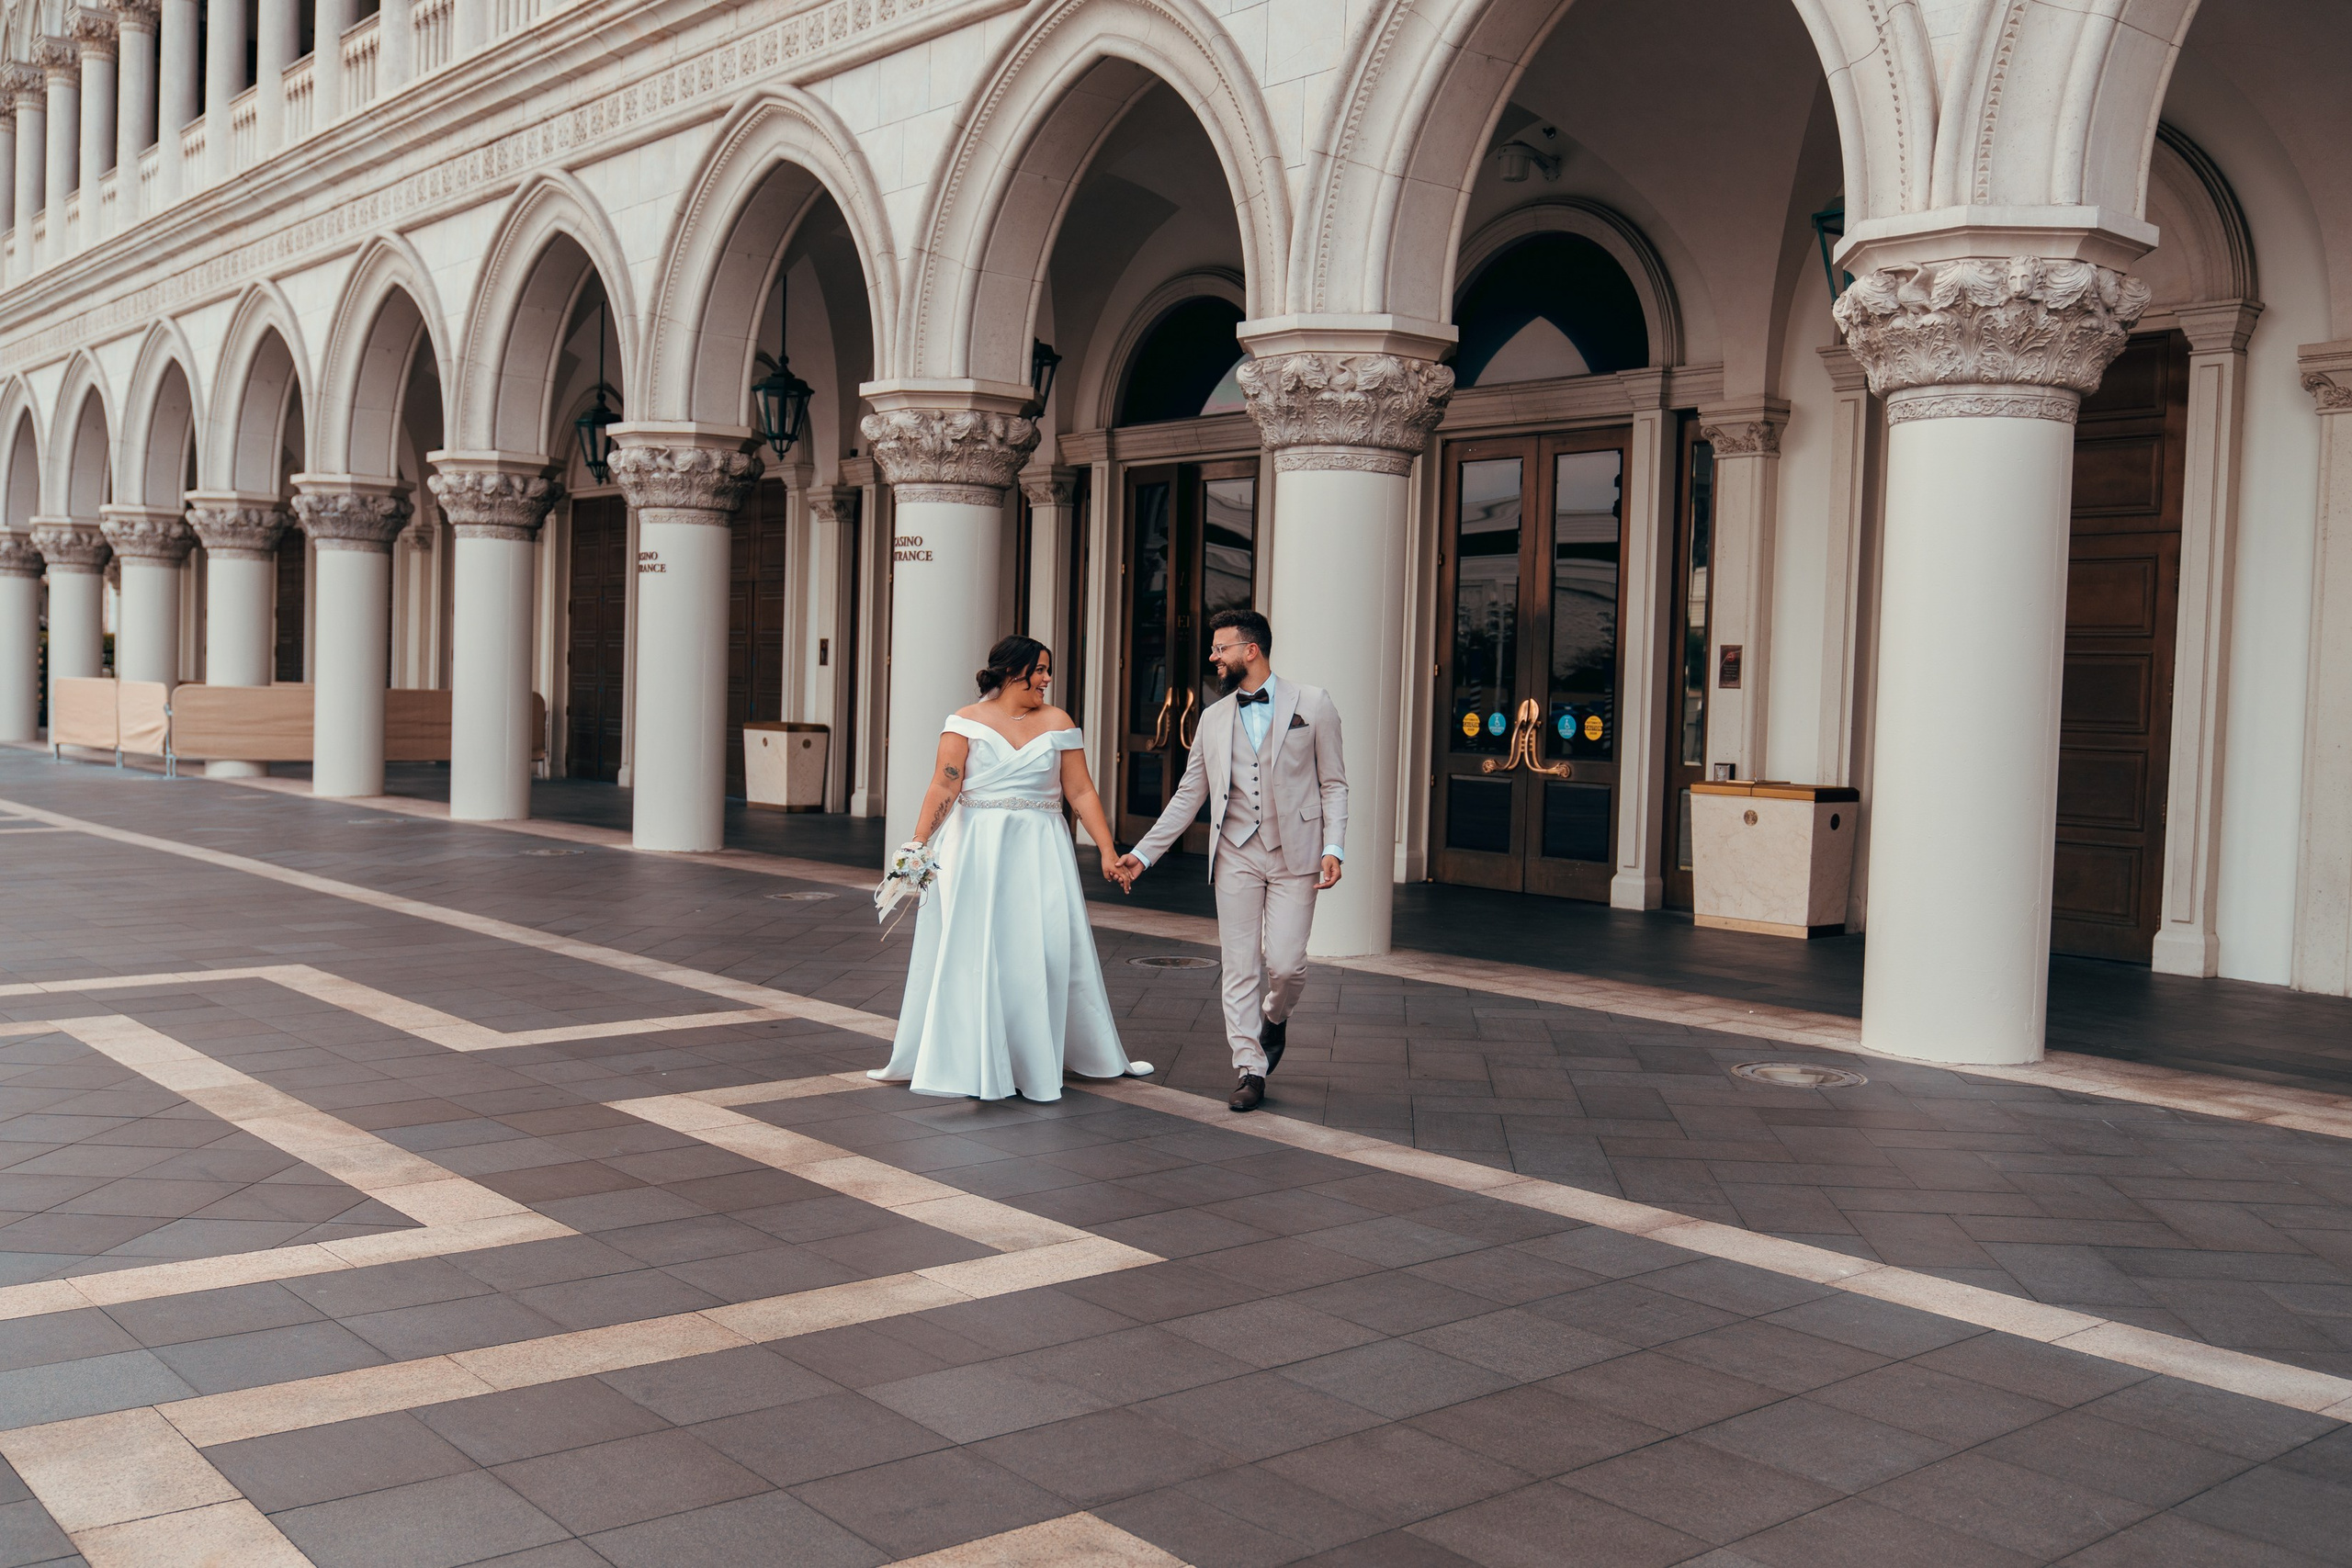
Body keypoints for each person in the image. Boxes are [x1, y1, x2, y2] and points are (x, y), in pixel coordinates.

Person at [871, 636, 1143, 1100]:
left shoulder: (1058, 722)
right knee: (975, 946)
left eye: (1047, 670)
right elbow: (944, 785)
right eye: (1039, 670)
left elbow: (1081, 792)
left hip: (1041, 848)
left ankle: (1033, 1055)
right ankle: (971, 1056)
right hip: (975, 847)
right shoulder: (965, 722)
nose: (1047, 679)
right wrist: (918, 843)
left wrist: (1105, 849)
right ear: (1011, 671)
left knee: (1045, 946)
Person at [1120, 609, 1346, 1111]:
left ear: (1251, 650)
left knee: (1286, 967)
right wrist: (1142, 855)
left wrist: (1334, 846)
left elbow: (1333, 783)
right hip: (1236, 853)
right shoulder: (1213, 718)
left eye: (1220, 648)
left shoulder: (1313, 703)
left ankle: (1276, 1016)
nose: (1212, 656)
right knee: (1240, 965)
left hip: (1297, 854)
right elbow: (1188, 795)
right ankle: (1249, 1068)